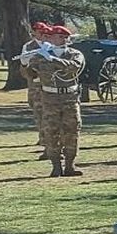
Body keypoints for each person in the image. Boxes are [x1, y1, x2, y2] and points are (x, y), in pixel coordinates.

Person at [27, 25, 86, 176]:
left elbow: (74, 67)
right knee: (51, 131)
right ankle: (55, 166)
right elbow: (29, 74)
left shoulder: (74, 54)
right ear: (50, 38)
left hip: (70, 98)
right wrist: (25, 62)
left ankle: (70, 165)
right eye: (58, 37)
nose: (62, 39)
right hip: (49, 98)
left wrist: (53, 59)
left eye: (64, 37)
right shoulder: (40, 55)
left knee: (72, 131)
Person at [19, 21, 52, 156]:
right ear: (34, 33)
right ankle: (43, 138)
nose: (43, 35)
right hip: (35, 85)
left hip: (48, 84)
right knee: (38, 112)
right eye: (40, 32)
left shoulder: (50, 46)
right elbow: (24, 62)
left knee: (49, 113)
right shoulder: (28, 46)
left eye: (45, 33)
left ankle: (47, 142)